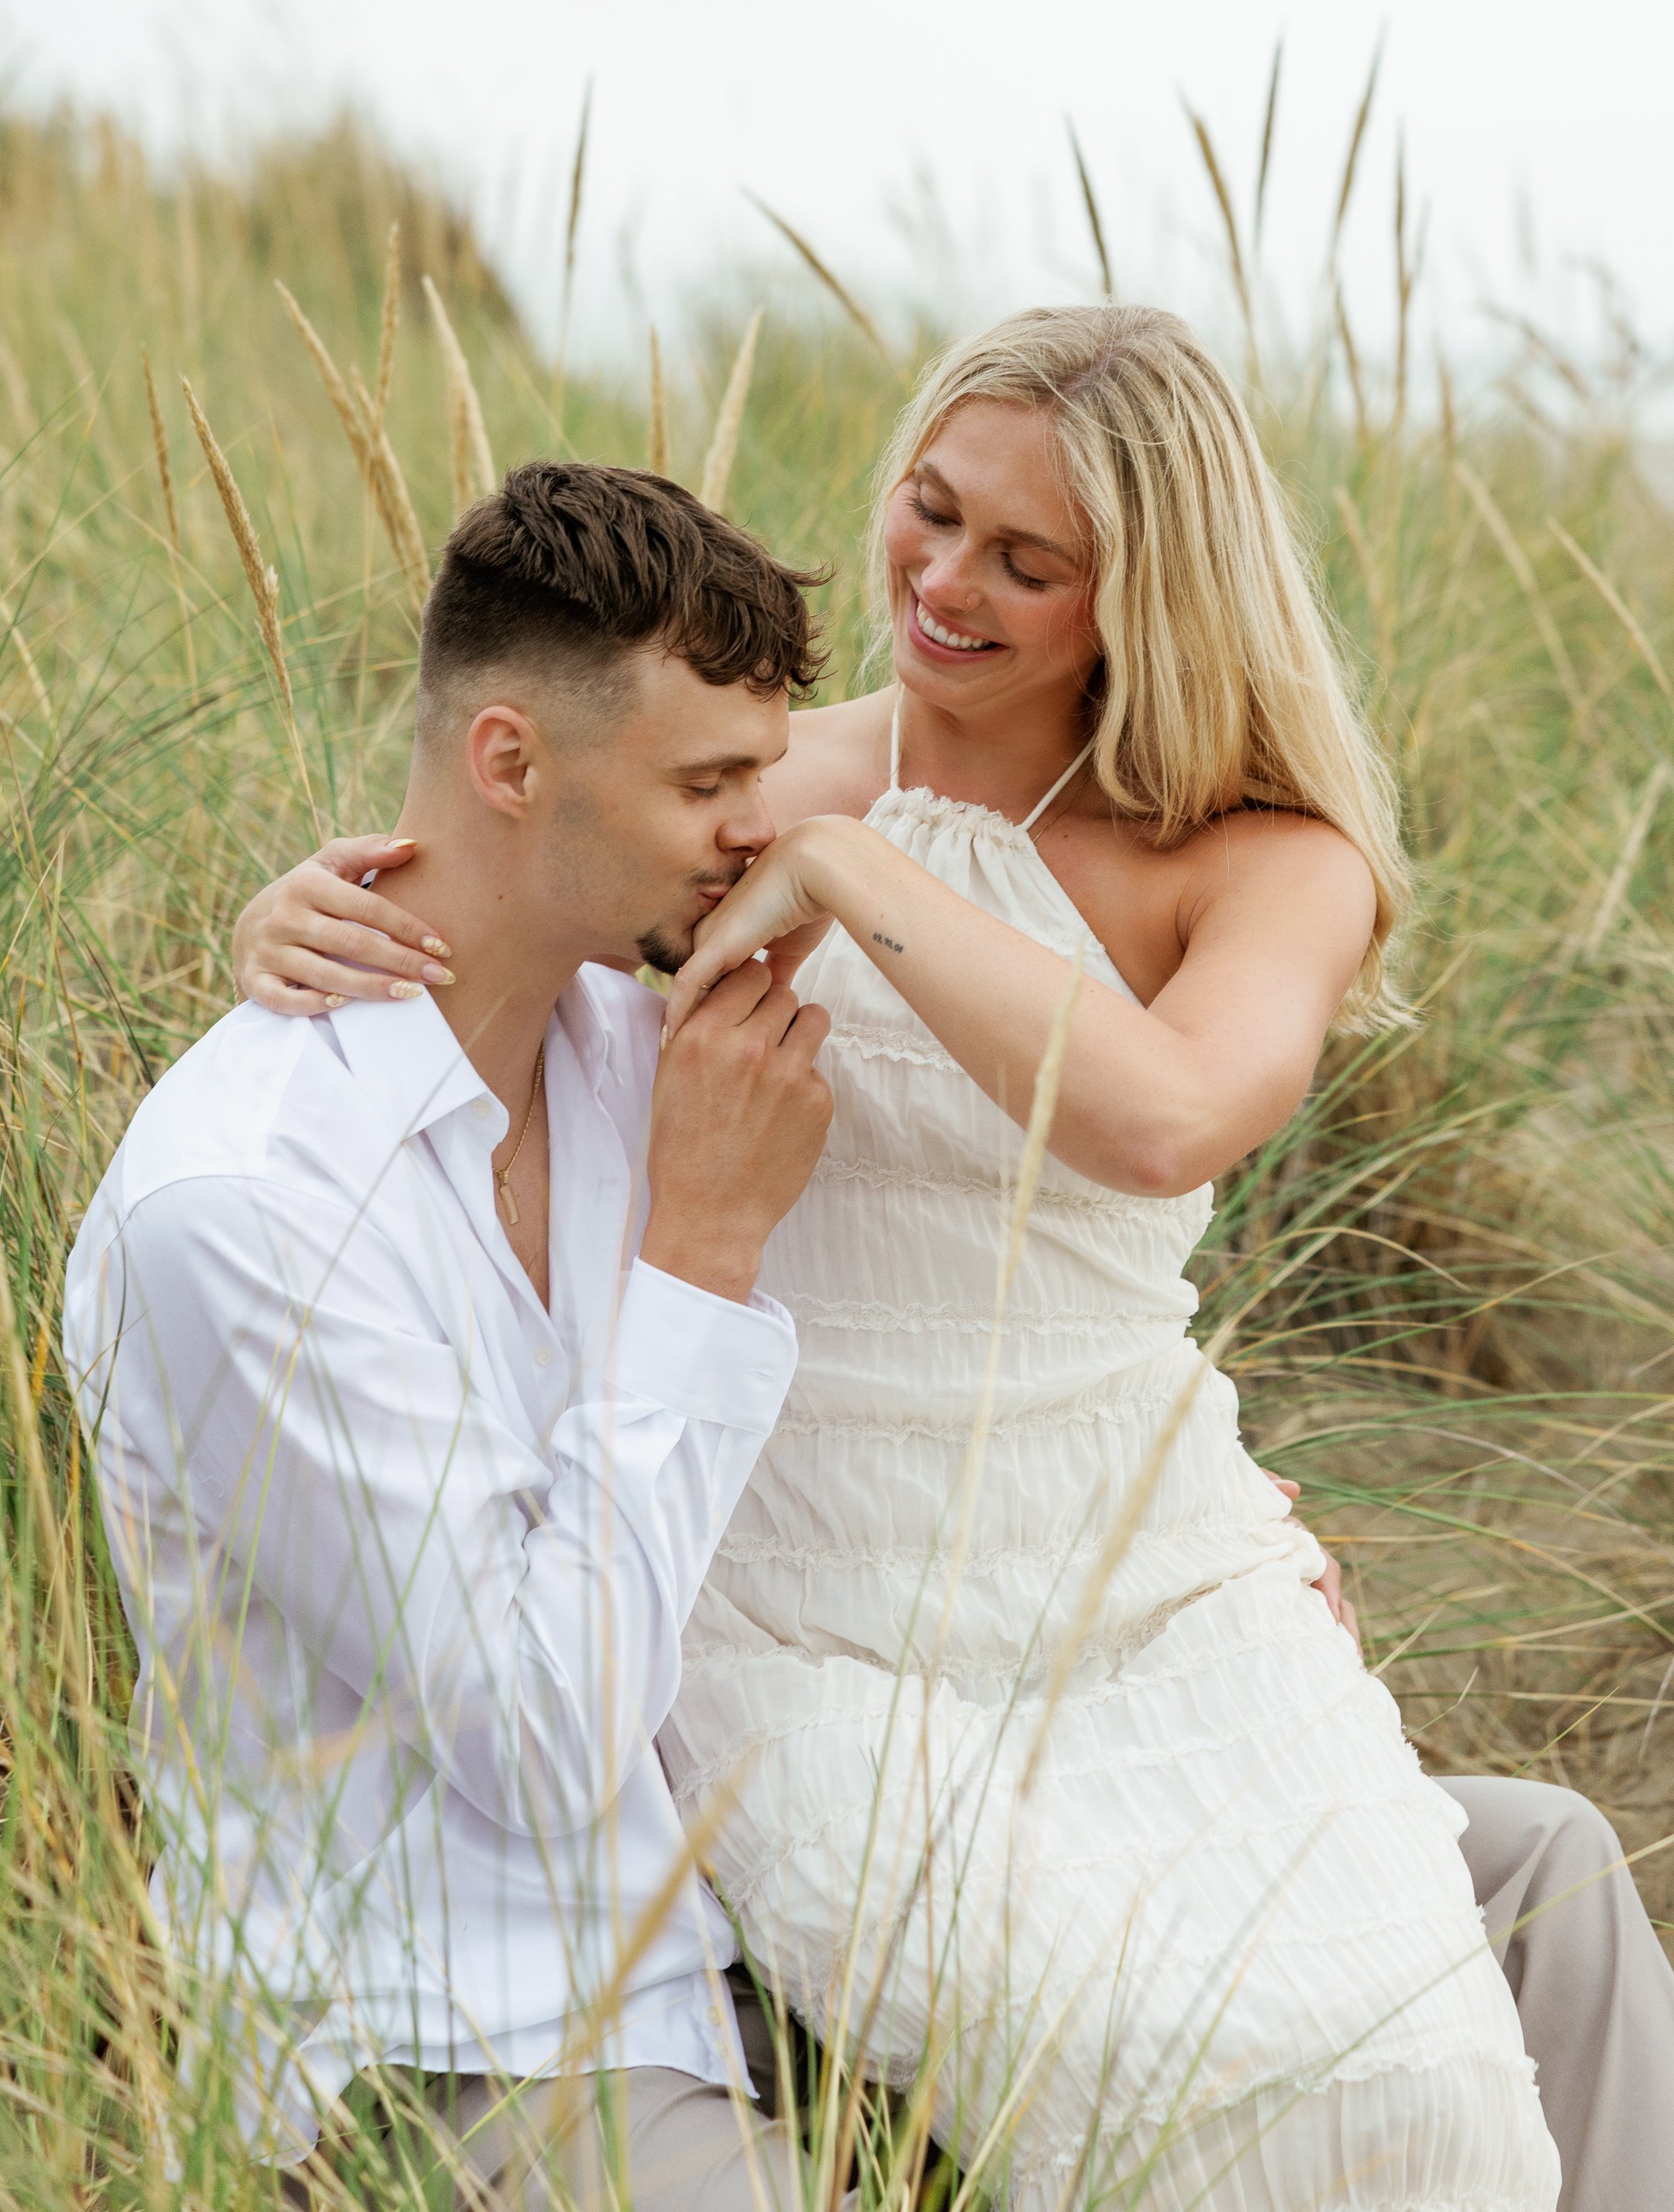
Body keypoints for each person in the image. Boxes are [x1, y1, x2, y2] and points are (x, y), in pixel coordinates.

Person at [232, 310, 1674, 2210]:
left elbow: (1164, 1116)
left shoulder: (1267, 861)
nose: (942, 581)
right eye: (931, 509)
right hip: (808, 1596)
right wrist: (291, 914)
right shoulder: (752, 781)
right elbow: (506, 891)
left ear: (1146, 597)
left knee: (1409, 2068)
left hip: (1147, 1568)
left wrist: (859, 865)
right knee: (1142, 2053)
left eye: (1027, 560)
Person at [64, 467, 847, 2211]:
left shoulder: (657, 1063)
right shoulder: (247, 1207)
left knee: (1441, 1923)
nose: (760, 832)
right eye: (708, 786)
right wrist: (702, 1257)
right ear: (510, 762)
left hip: (765, 1925)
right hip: (454, 2042)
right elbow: (542, 1741)